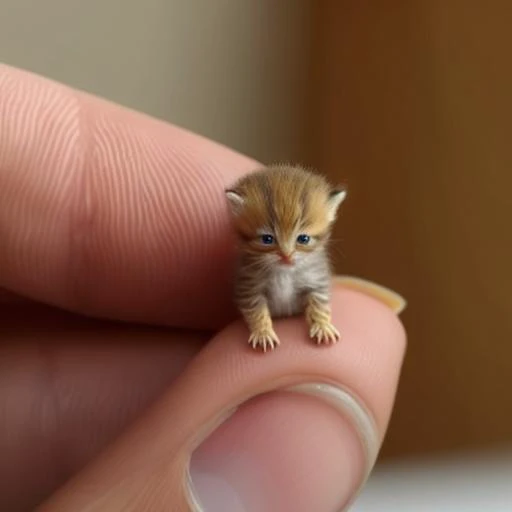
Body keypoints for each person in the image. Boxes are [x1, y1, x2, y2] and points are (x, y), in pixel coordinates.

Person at [0, 63, 407, 512]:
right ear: (240, 219)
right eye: (269, 240)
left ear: (327, 221)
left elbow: (317, 291)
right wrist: (259, 325)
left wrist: (320, 317)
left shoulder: (308, 260)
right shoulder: (249, 256)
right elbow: (250, 297)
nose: (288, 255)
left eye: (304, 241)